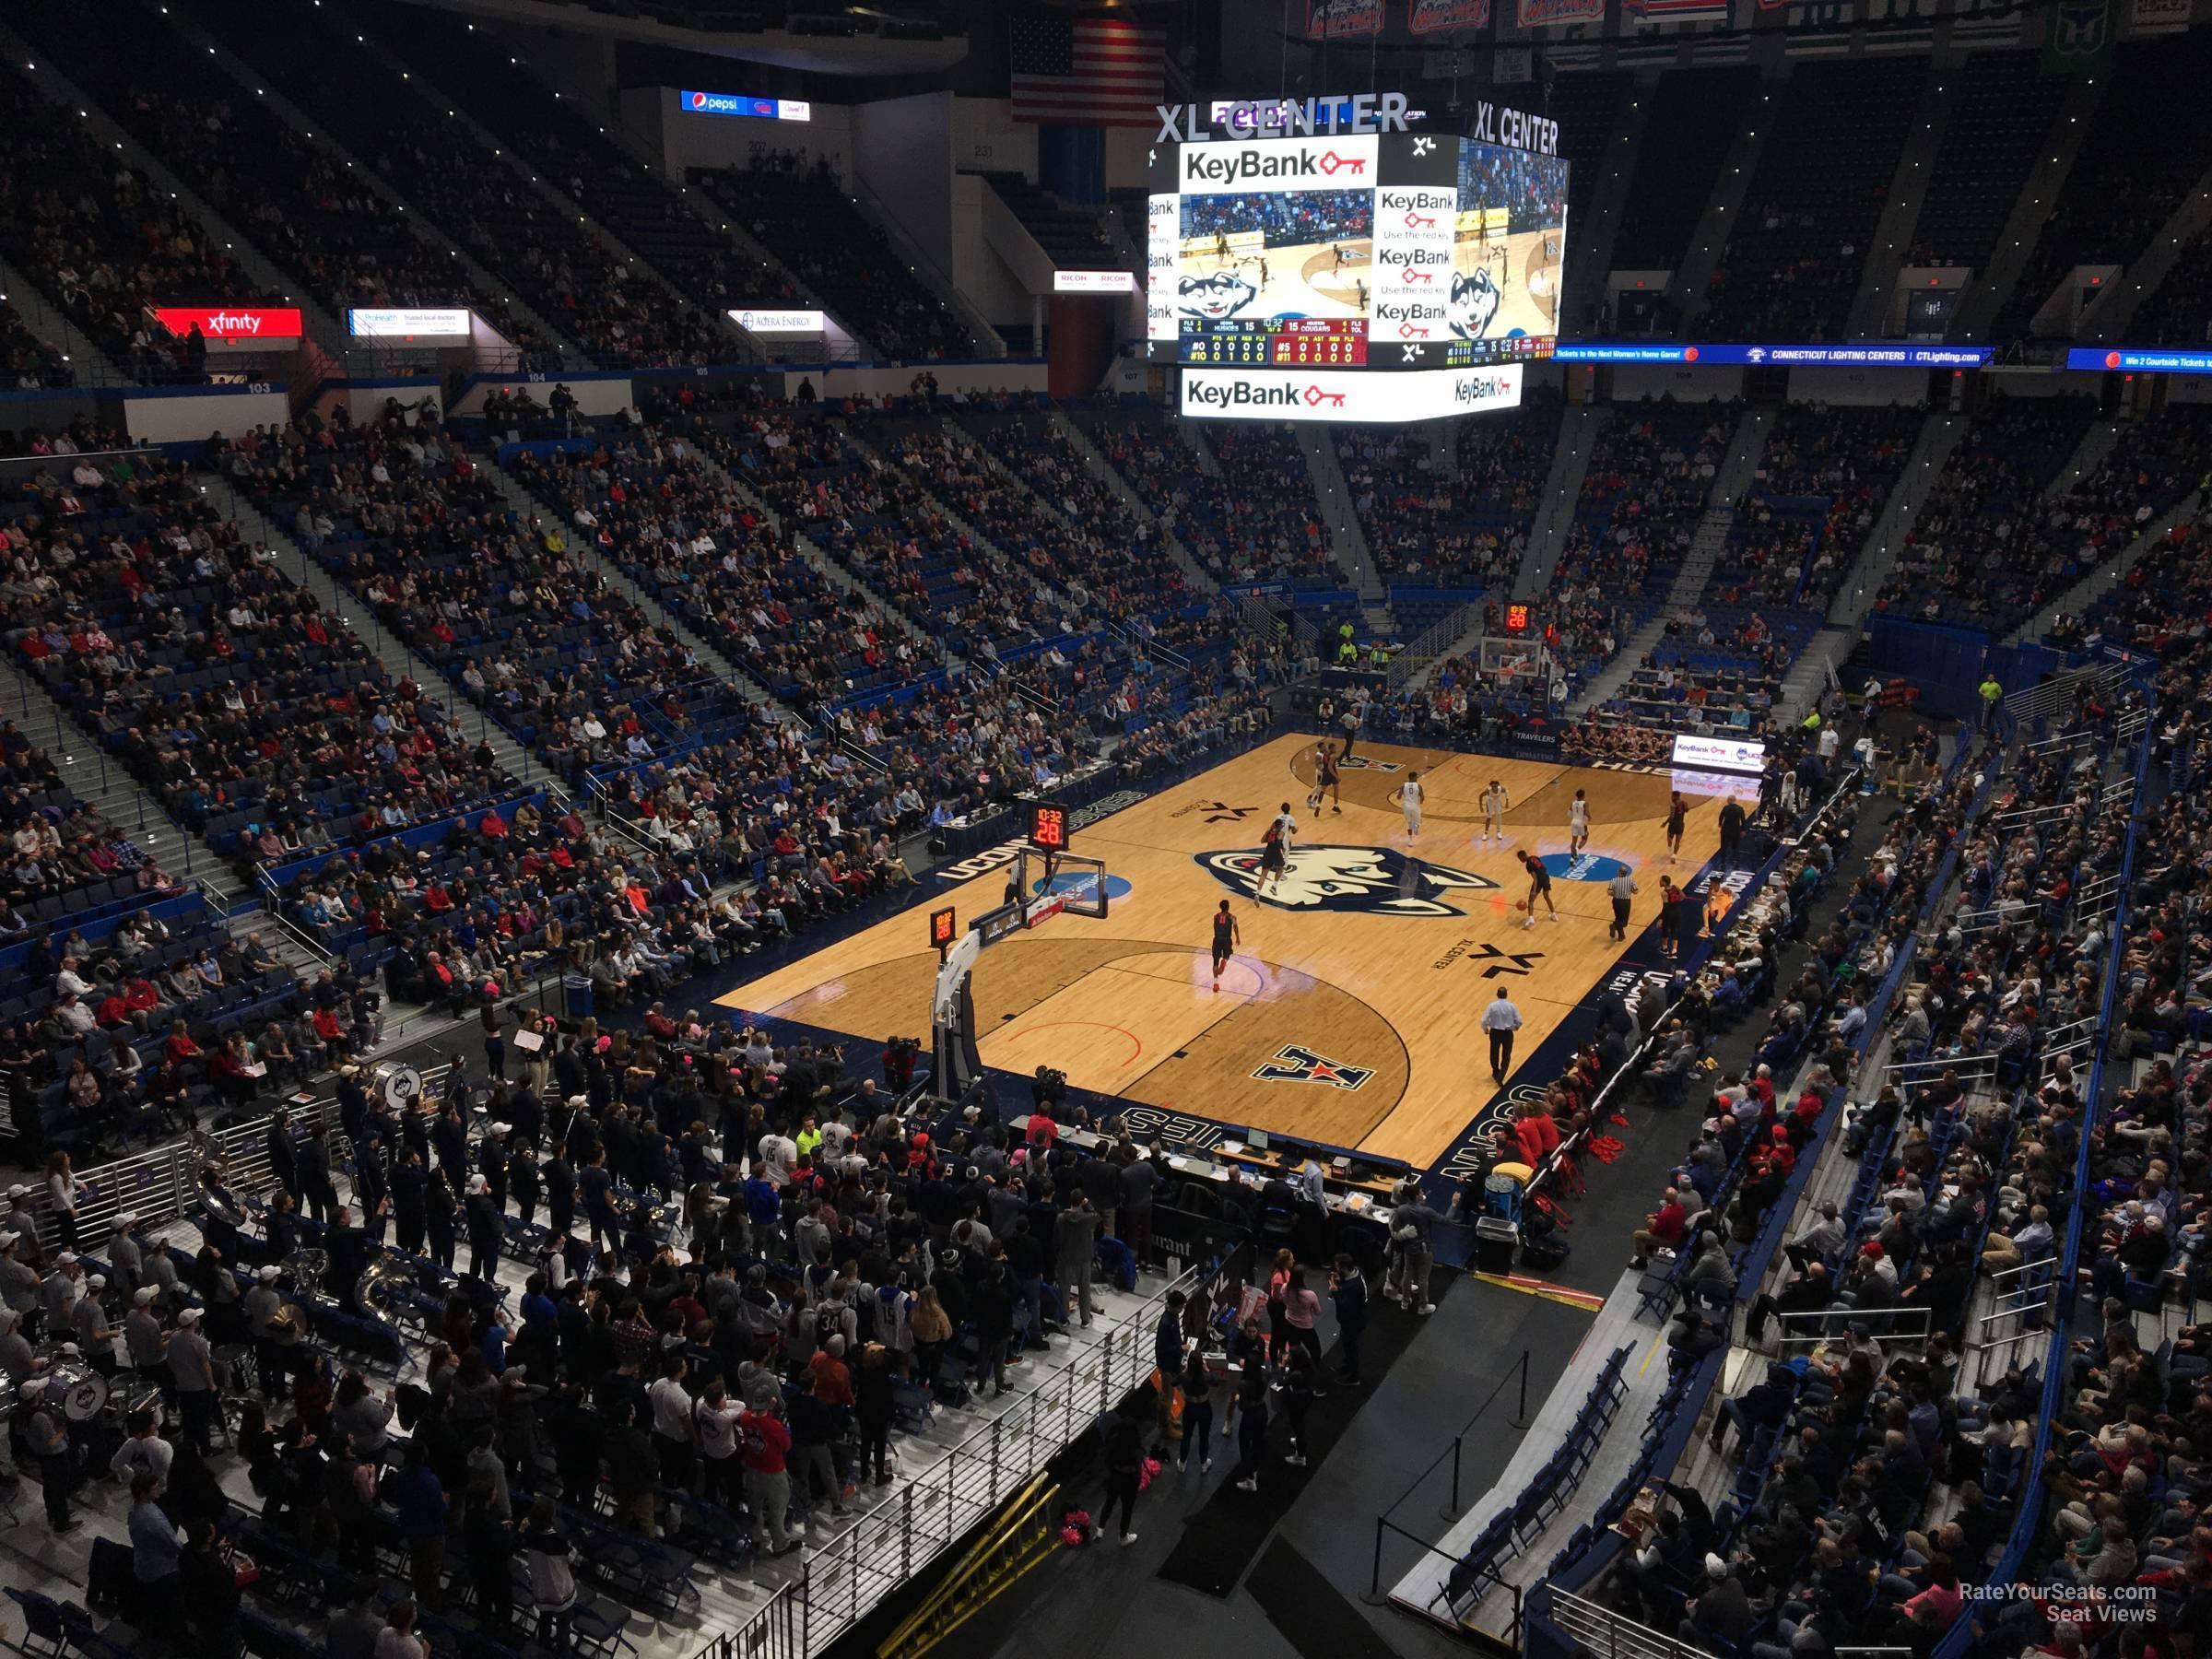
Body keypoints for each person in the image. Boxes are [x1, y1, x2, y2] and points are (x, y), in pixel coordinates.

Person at [739, 1395, 798, 1556]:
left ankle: (756, 1538)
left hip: (753, 1468)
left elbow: (759, 1420)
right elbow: (786, 1445)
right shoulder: (774, 1426)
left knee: (755, 1506)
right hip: (773, 1472)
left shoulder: (744, 1418)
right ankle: (780, 1544)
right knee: (777, 1510)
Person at [129, 1471, 187, 1628]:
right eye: (155, 1488)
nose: (159, 1490)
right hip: (161, 1570)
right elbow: (173, 1544)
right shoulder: (153, 1519)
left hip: (142, 1562)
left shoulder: (134, 1509)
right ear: (143, 1493)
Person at [523, 1496, 578, 1653]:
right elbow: (572, 1557)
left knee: (544, 1619)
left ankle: (544, 1647)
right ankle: (564, 1653)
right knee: (563, 1628)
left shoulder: (528, 1533)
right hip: (559, 1589)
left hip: (541, 1585)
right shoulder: (557, 1539)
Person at [1096, 1399, 1145, 1546]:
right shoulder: (1135, 1449)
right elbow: (1137, 1467)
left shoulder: (1114, 1442)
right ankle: (1123, 1537)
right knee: (1127, 1509)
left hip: (1115, 1477)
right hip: (1129, 1480)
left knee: (1109, 1502)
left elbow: (1107, 1459)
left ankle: (1100, 1529)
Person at [1228, 1357, 1271, 1492]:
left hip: (1250, 1415)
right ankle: (1255, 1470)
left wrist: (1238, 1399)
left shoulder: (1244, 1384)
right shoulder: (1263, 1378)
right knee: (1258, 1442)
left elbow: (1242, 1406)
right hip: (1262, 1411)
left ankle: (1250, 1479)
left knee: (1244, 1446)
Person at [1329, 1254, 1369, 1383]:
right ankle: (1348, 1366)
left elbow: (1344, 1307)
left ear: (1345, 1268)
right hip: (1357, 1316)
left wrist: (1335, 1291)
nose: (1335, 1268)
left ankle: (1354, 1377)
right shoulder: (1358, 1271)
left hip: (1353, 1321)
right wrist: (1341, 1280)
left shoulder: (1353, 1287)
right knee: (1347, 1345)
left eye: (1338, 1267)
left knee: (1351, 1348)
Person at [1177, 1346, 1216, 1474]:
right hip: (1204, 1407)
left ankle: (1182, 1463)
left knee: (1186, 1436)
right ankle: (1204, 1463)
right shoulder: (1206, 1377)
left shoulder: (1184, 1377)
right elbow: (1216, 1382)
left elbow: (1173, 1382)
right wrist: (1207, 1369)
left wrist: (1185, 1371)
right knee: (1204, 1436)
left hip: (1190, 1407)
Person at [1482, 987, 1523, 1084]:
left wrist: (1485, 1029)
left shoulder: (1492, 1006)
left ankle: (1495, 1071)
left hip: (1495, 1032)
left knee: (1494, 1052)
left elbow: (1483, 1020)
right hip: (1507, 1033)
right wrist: (1516, 1027)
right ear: (1506, 995)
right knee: (1506, 1054)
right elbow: (1520, 1021)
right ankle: (1501, 1075)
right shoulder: (1511, 1006)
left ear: (1497, 994)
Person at [1208, 900, 1241, 994]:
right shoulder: (1232, 917)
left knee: (1215, 962)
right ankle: (1225, 961)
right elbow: (1235, 926)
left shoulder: (1216, 916)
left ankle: (1216, 984)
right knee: (1227, 955)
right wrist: (1238, 937)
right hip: (1227, 939)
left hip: (1217, 939)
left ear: (1220, 907)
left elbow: (1214, 927)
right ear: (1228, 907)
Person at [1520, 851, 1557, 927]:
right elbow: (1544, 867)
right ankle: (1553, 915)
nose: (1520, 860)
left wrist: (1534, 891)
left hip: (1539, 881)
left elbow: (1535, 878)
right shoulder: (1534, 857)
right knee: (1546, 897)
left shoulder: (1528, 865)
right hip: (1546, 877)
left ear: (1523, 856)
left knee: (1531, 900)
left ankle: (1531, 919)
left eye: (1520, 858)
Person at [1607, 866, 1638, 942]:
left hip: (1616, 901)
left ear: (1619, 872)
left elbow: (1609, 892)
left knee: (1618, 918)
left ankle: (1621, 936)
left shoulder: (1614, 880)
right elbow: (1636, 891)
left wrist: (1616, 894)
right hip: (1625, 902)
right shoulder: (1630, 880)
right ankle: (1614, 926)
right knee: (1624, 922)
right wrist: (1630, 891)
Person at [1394, 771, 1424, 840]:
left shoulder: (1404, 785)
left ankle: (1410, 841)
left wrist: (1405, 794)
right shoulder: (1418, 786)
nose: (1417, 778)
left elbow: (1398, 797)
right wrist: (1421, 801)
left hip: (1406, 806)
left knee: (1409, 823)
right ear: (1413, 777)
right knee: (1419, 822)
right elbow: (1422, 797)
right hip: (1415, 806)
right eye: (1416, 777)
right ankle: (1416, 826)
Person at [1314, 743, 1341, 815]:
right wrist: (1336, 776)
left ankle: (1318, 805)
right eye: (1334, 748)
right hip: (1332, 773)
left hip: (1325, 773)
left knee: (1323, 790)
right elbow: (1330, 767)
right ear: (1331, 748)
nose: (1336, 749)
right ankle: (1335, 805)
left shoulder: (1326, 754)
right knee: (1336, 789)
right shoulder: (1333, 756)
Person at [1480, 779, 1508, 844]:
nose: (1494, 788)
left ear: (1498, 785)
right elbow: (1480, 796)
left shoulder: (1501, 789)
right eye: (1493, 786)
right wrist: (1481, 807)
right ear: (1491, 786)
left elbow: (1507, 792)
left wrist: (1507, 802)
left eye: (1495, 786)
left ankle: (1499, 832)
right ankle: (1485, 833)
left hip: (1497, 802)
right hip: (1490, 803)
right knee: (1489, 818)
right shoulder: (1488, 790)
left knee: (1498, 816)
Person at [1665, 790, 1687, 862]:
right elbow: (1687, 810)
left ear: (1674, 796)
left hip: (1673, 824)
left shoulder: (1673, 804)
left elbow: (1671, 816)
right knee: (1678, 840)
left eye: (1672, 796)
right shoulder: (1684, 803)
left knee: (1669, 838)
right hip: (1680, 824)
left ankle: (1670, 849)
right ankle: (1674, 855)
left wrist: (1665, 823)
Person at [1569, 787, 1590, 856]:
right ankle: (1577, 850)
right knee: (1585, 838)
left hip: (1574, 821)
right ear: (1583, 796)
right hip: (1581, 822)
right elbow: (1587, 813)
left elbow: (1569, 813)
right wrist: (1589, 817)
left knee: (1574, 841)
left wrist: (1575, 816)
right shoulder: (1585, 803)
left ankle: (1572, 857)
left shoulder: (1573, 802)